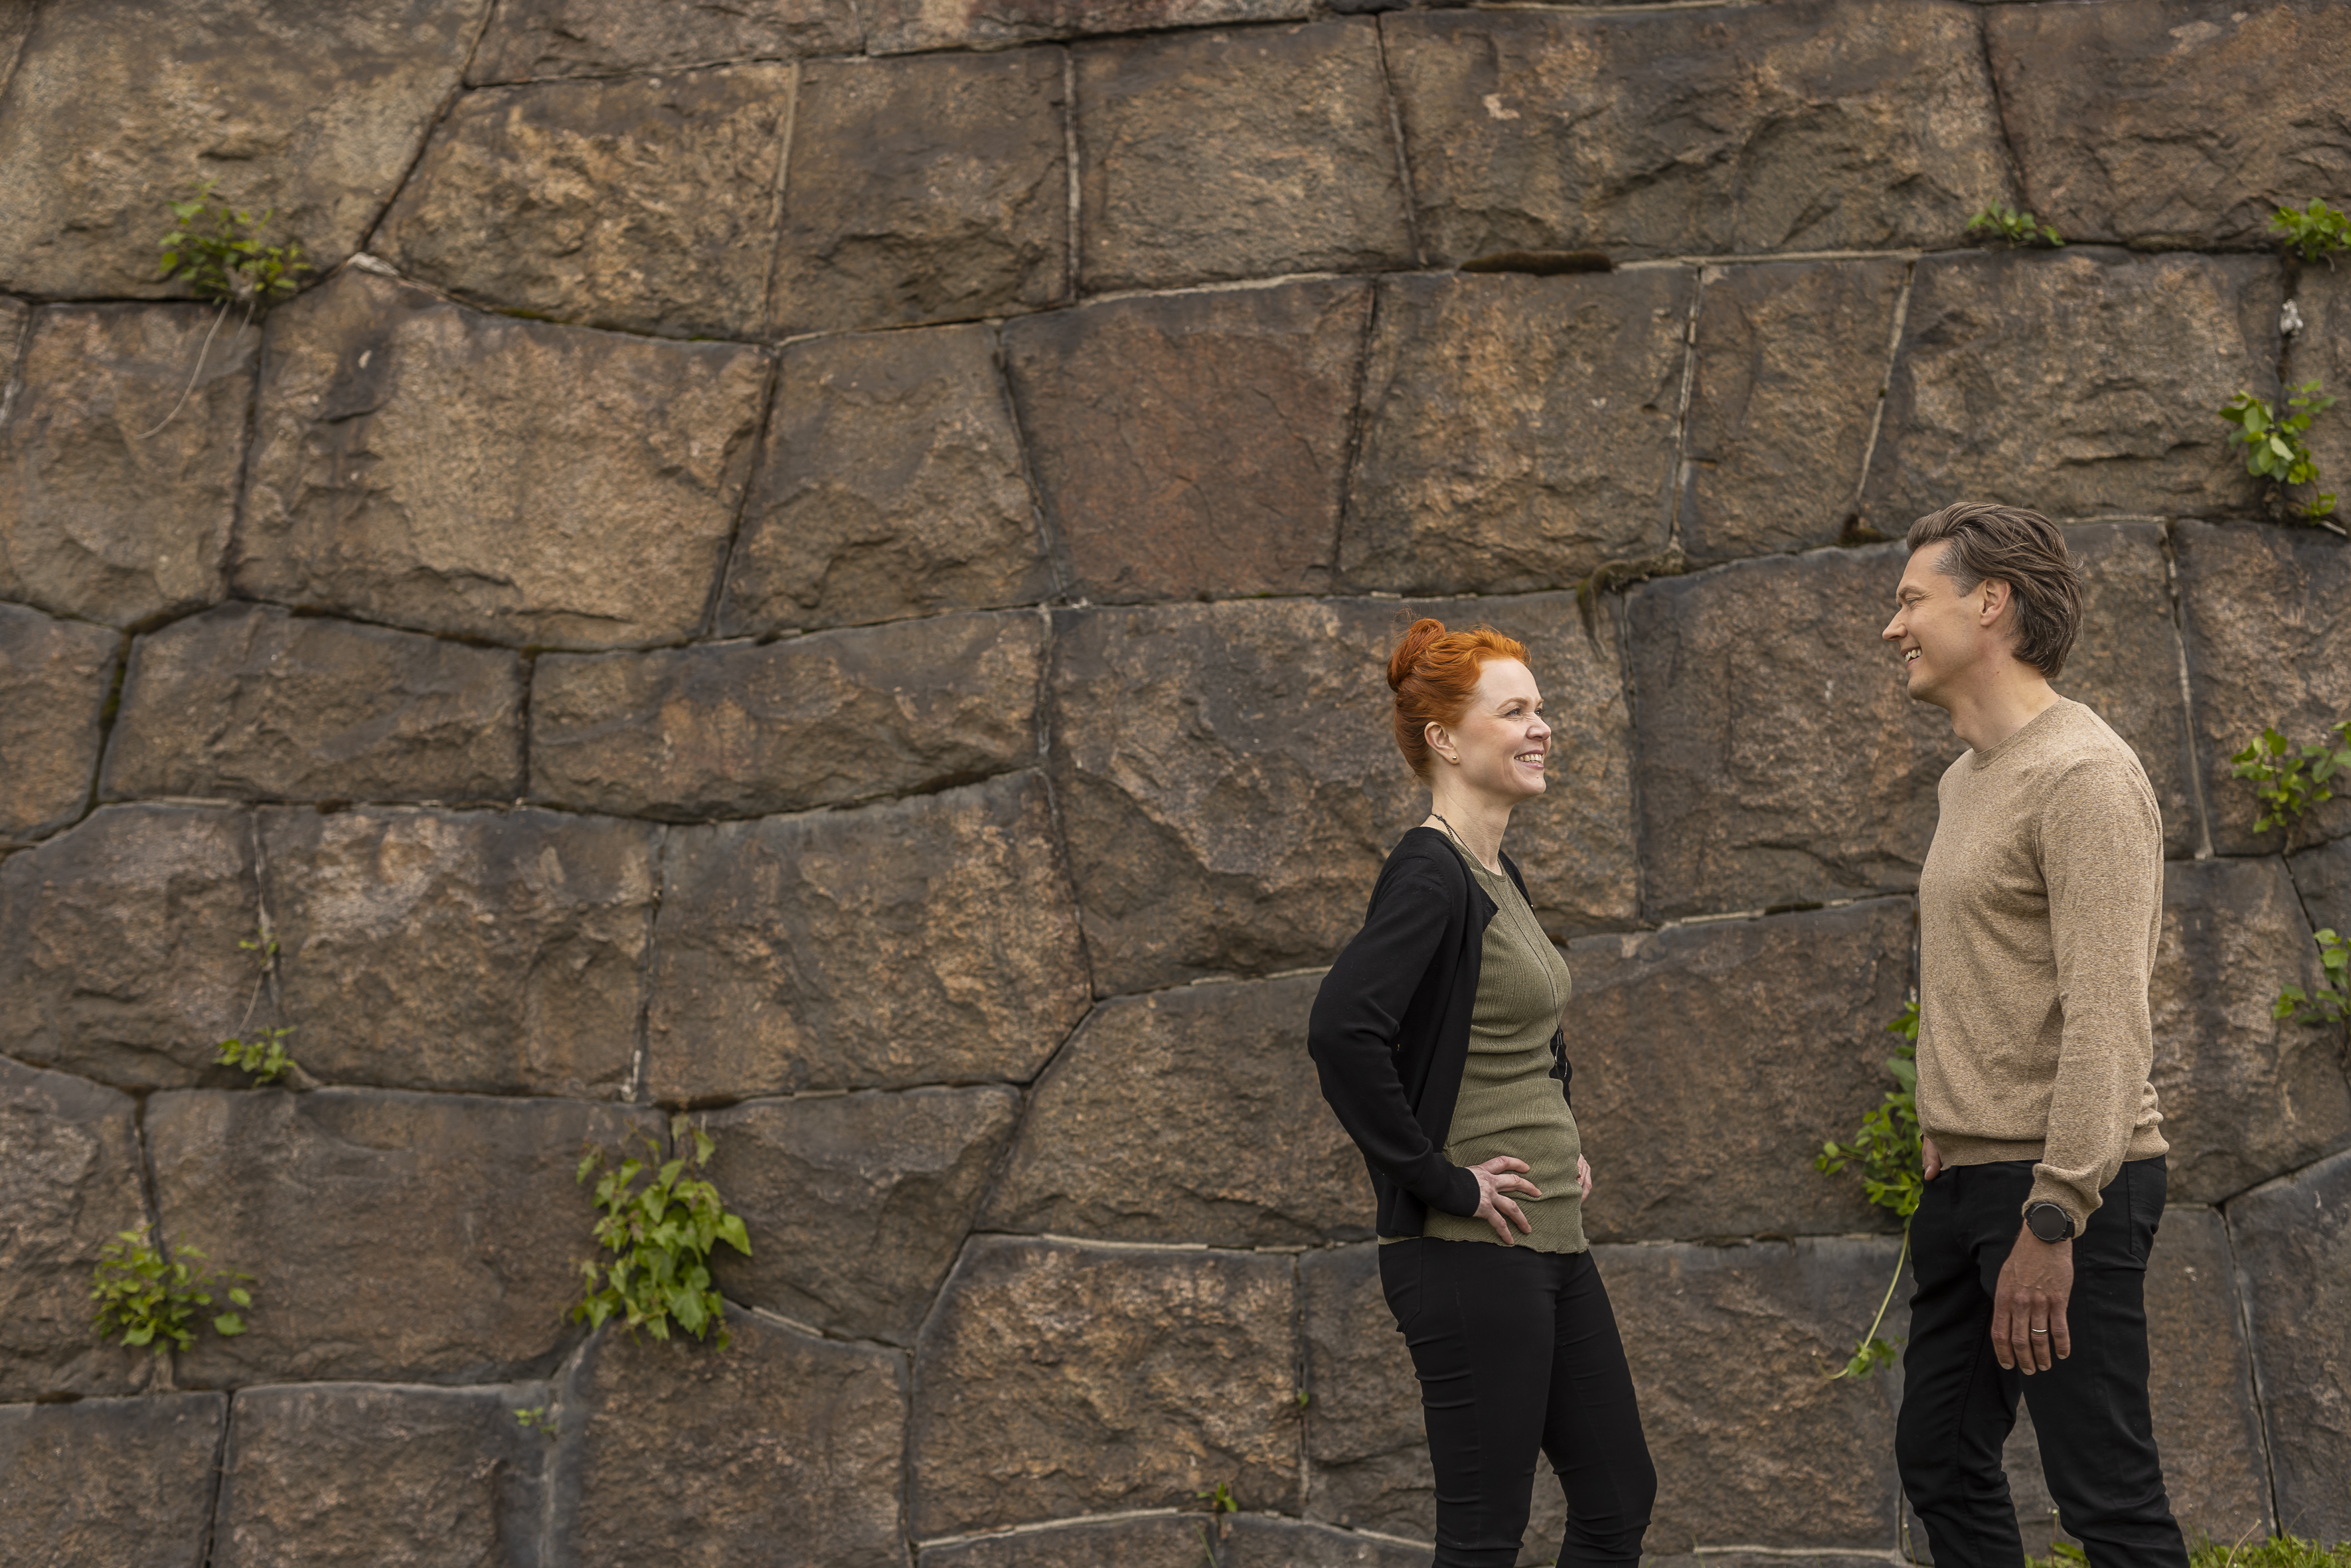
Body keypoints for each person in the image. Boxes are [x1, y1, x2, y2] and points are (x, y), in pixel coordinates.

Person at [1307, 617, 1655, 1568]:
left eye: (1538, 708)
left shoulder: (1497, 874)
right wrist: (1441, 1180)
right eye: (1513, 711)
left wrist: (1561, 1133)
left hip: (1547, 1240)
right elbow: (1342, 1031)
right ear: (1446, 739)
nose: (1540, 727)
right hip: (1468, 1256)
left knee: (1619, 1497)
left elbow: (1521, 1030)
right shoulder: (1431, 874)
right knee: (1482, 1537)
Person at [1881, 503, 2188, 1567]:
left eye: (1911, 599)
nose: (1892, 626)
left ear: (1990, 603)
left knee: (2105, 1496)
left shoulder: (2084, 776)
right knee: (1939, 1457)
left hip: (2064, 1188)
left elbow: (2110, 1015)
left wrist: (2053, 1213)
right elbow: (1990, 973)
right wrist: (1949, 1119)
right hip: (1967, 1177)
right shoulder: (1964, 779)